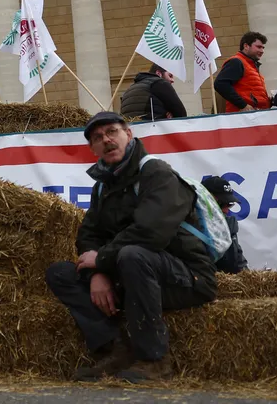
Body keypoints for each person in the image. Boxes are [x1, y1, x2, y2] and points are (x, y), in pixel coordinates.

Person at [45, 112, 217, 383]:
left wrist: (102, 260)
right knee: (60, 272)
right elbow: (88, 235)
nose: (106, 140)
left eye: (112, 132)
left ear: (129, 134)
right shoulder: (102, 187)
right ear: (93, 149)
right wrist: (96, 275)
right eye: (98, 138)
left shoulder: (156, 173)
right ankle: (117, 348)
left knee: (133, 253)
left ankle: (154, 360)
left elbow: (151, 233)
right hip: (133, 275)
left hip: (187, 278)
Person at [214, 31, 272, 113]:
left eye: (263, 48)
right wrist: (242, 105)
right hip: (242, 118)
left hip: (253, 116)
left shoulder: (251, 65)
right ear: (246, 46)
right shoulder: (236, 62)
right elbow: (220, 84)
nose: (262, 51)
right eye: (259, 47)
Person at [201, 176, 248, 274]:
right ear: (204, 201)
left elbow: (239, 264)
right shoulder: (187, 228)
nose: (226, 210)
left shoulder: (230, 226)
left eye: (229, 204)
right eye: (222, 204)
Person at [120, 65, 188, 121]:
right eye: (170, 76)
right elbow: (181, 114)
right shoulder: (159, 83)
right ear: (158, 73)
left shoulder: (129, 89)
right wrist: (168, 117)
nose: (172, 80)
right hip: (153, 132)